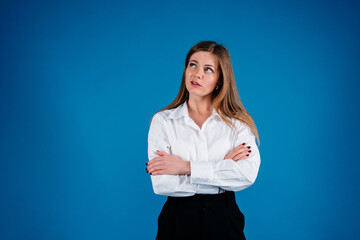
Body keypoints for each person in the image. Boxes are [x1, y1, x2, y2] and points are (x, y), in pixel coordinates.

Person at [146, 41, 261, 240]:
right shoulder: (163, 121)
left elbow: (246, 175)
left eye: (208, 69)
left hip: (224, 220)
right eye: (193, 65)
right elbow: (162, 184)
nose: (197, 74)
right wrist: (223, 168)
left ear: (219, 79)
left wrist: (184, 167)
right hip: (177, 220)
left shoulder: (237, 124)